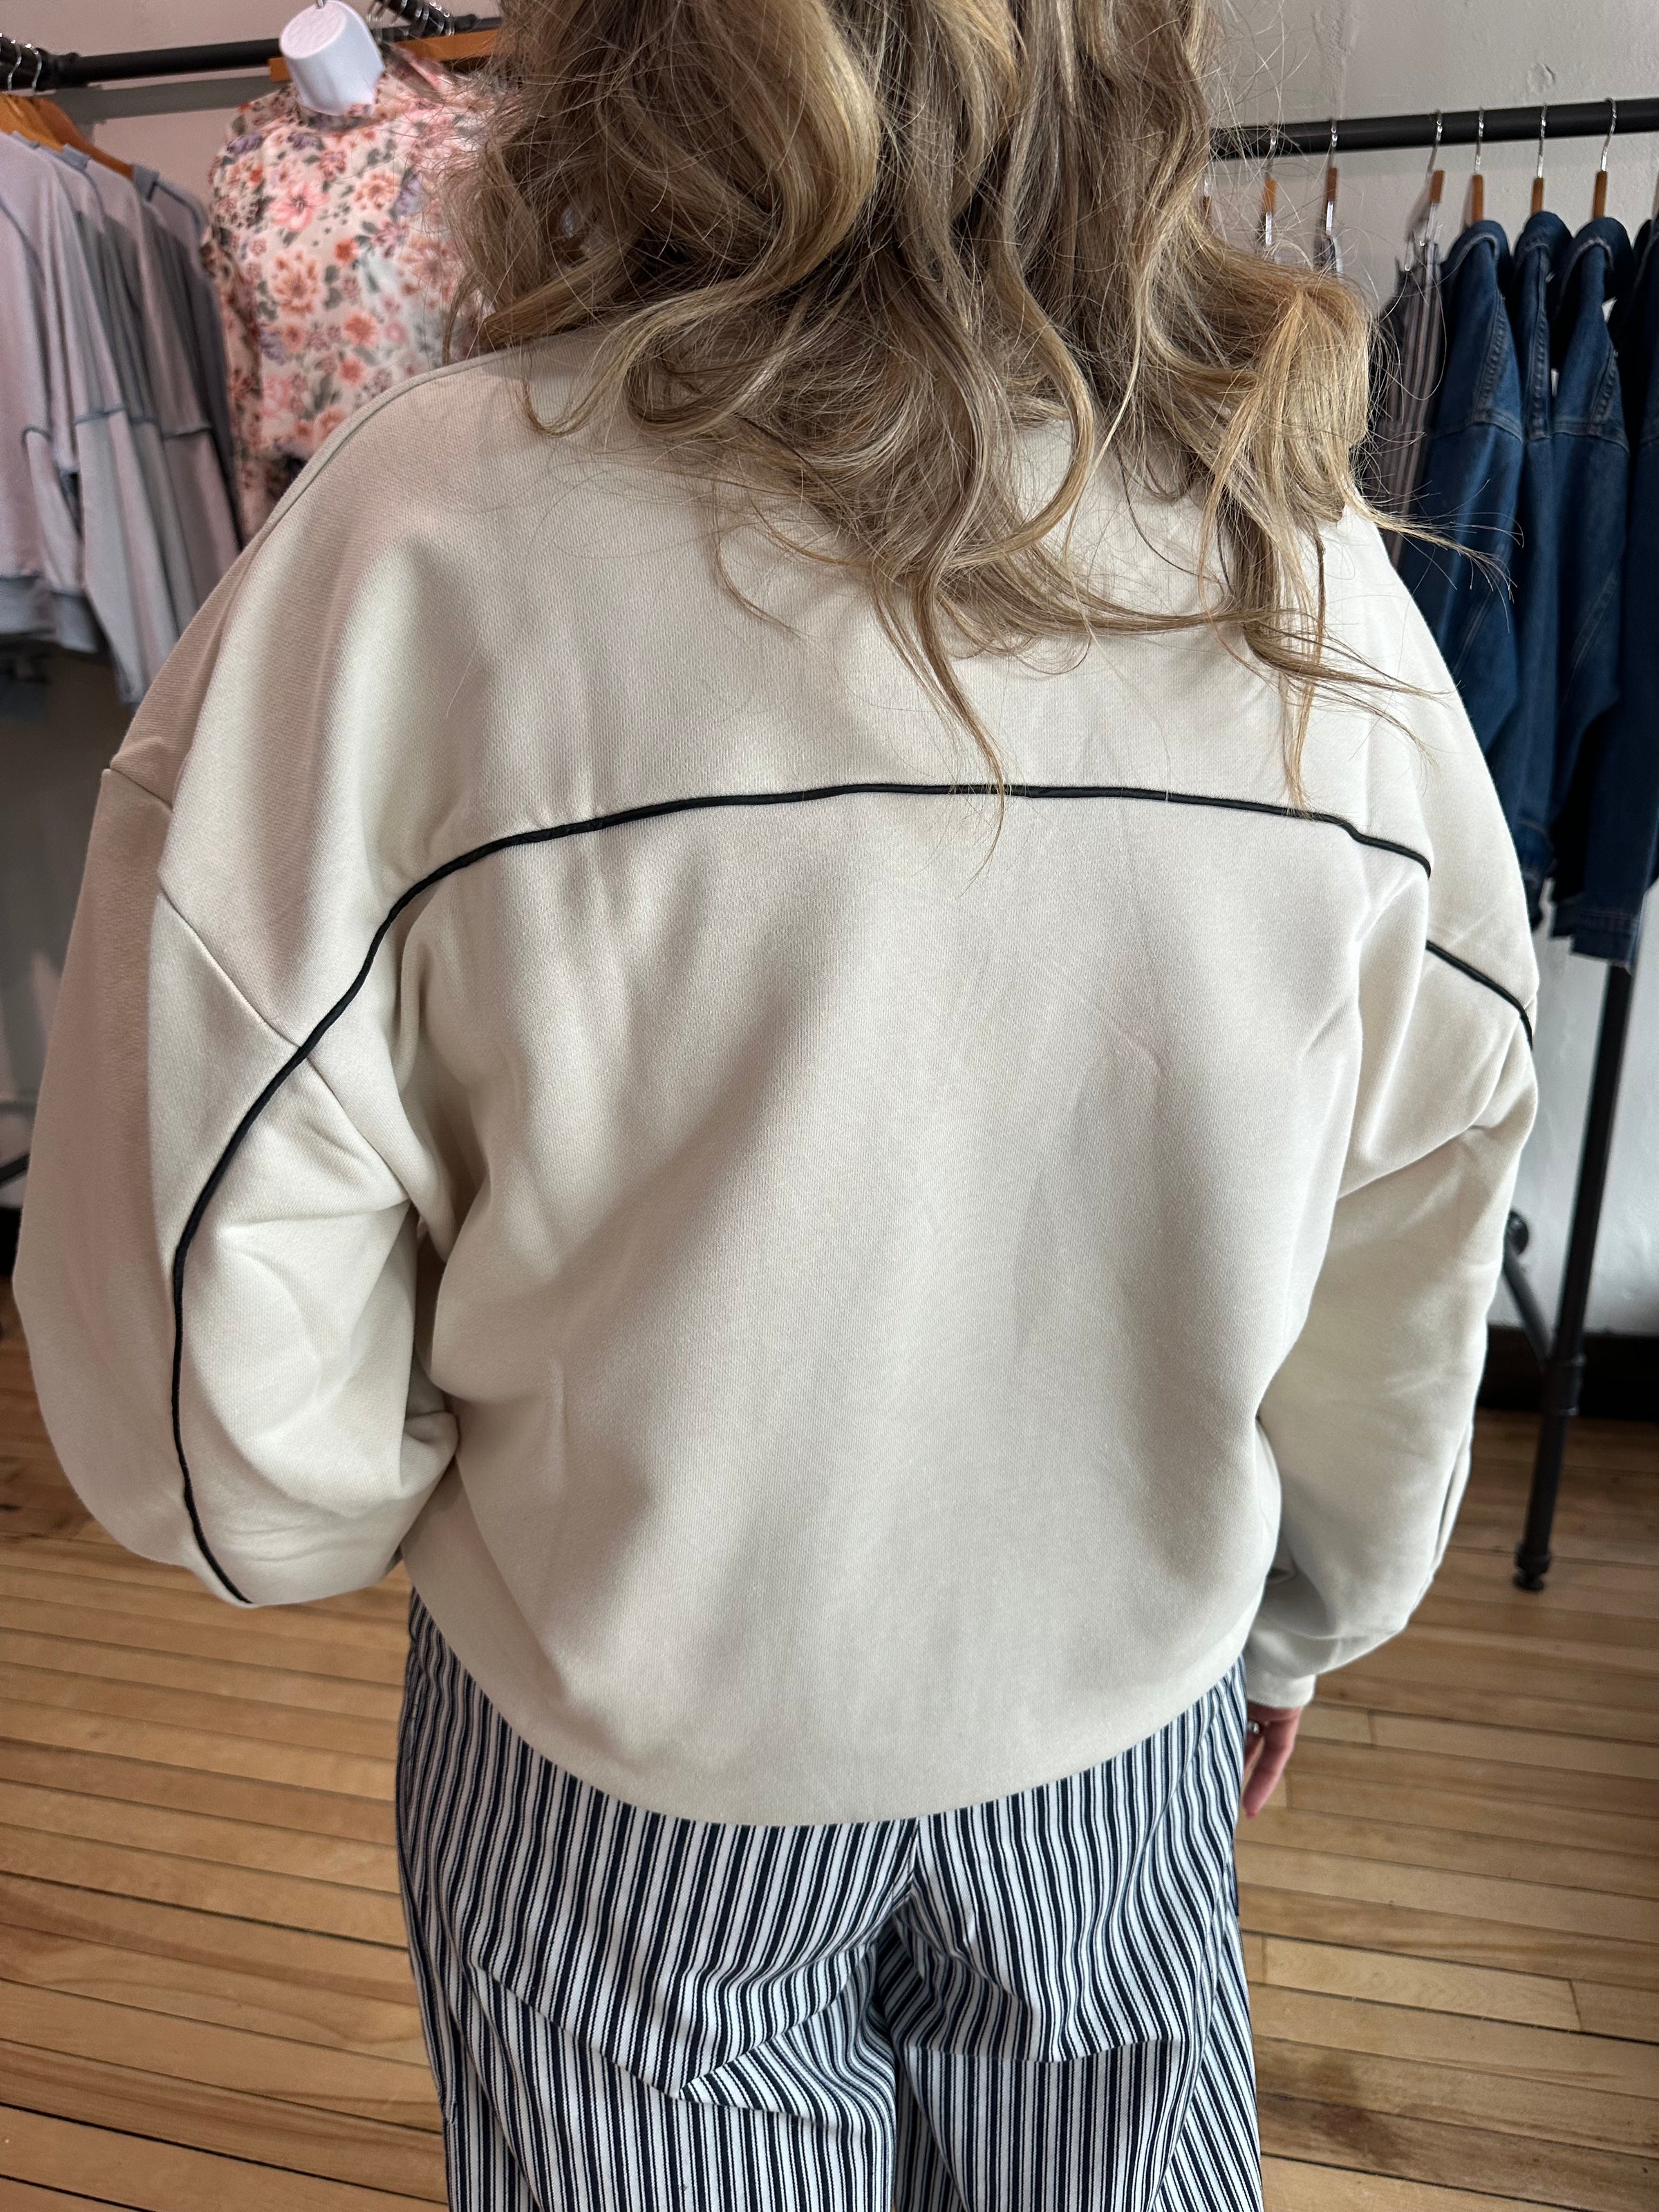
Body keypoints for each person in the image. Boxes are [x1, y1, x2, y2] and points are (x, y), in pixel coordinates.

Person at [16, 3, 1537, 2206]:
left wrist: (366, 1507)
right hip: (1115, 1729)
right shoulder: (1289, 567)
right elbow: (1422, 1197)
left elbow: (208, 1272)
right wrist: (1306, 1613)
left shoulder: (411, 540)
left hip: (621, 1738)